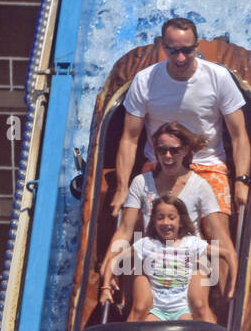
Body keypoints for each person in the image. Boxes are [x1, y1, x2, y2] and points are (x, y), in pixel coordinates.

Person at [109, 18, 251, 220]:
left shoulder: (218, 77)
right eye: (173, 51)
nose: (181, 58)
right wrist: (122, 188)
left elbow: (239, 136)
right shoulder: (145, 80)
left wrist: (241, 181)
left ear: (197, 46)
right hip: (160, 164)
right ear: (163, 47)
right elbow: (129, 139)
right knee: (148, 229)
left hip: (207, 165)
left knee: (216, 232)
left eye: (187, 50)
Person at [100, 121, 238, 300]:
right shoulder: (141, 183)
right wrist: (107, 269)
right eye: (161, 150)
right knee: (140, 305)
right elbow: (125, 231)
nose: (167, 156)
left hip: (188, 257)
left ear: (186, 150)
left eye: (174, 150)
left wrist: (231, 284)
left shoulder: (200, 186)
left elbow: (220, 235)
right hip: (153, 256)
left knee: (197, 302)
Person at [100, 195, 214, 323]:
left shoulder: (190, 242)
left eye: (171, 218)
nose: (166, 223)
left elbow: (226, 254)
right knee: (140, 322)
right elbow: (115, 259)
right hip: (158, 309)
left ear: (181, 221)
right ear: (154, 221)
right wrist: (105, 287)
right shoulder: (147, 244)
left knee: (194, 320)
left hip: (182, 308)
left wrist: (234, 285)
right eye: (160, 218)